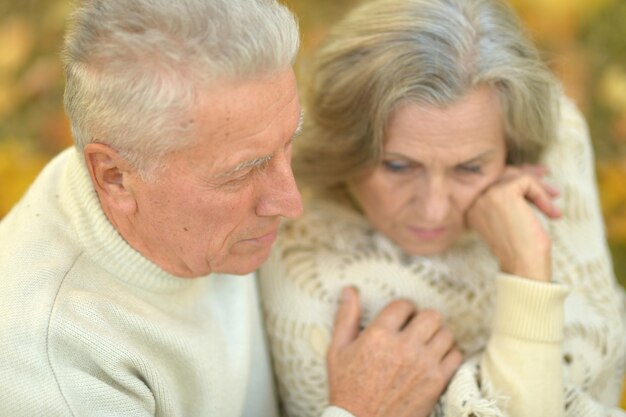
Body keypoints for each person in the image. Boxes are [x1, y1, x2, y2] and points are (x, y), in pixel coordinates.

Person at [0, 0, 463, 416]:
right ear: (115, 176)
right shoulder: (55, 373)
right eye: (243, 173)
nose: (291, 202)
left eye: (289, 143)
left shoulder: (206, 138)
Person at [259, 0, 626, 416]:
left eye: (469, 168)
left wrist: (525, 261)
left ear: (513, 150)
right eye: (398, 166)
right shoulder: (305, 270)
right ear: (347, 149)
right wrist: (528, 279)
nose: (433, 211)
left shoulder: (558, 148)